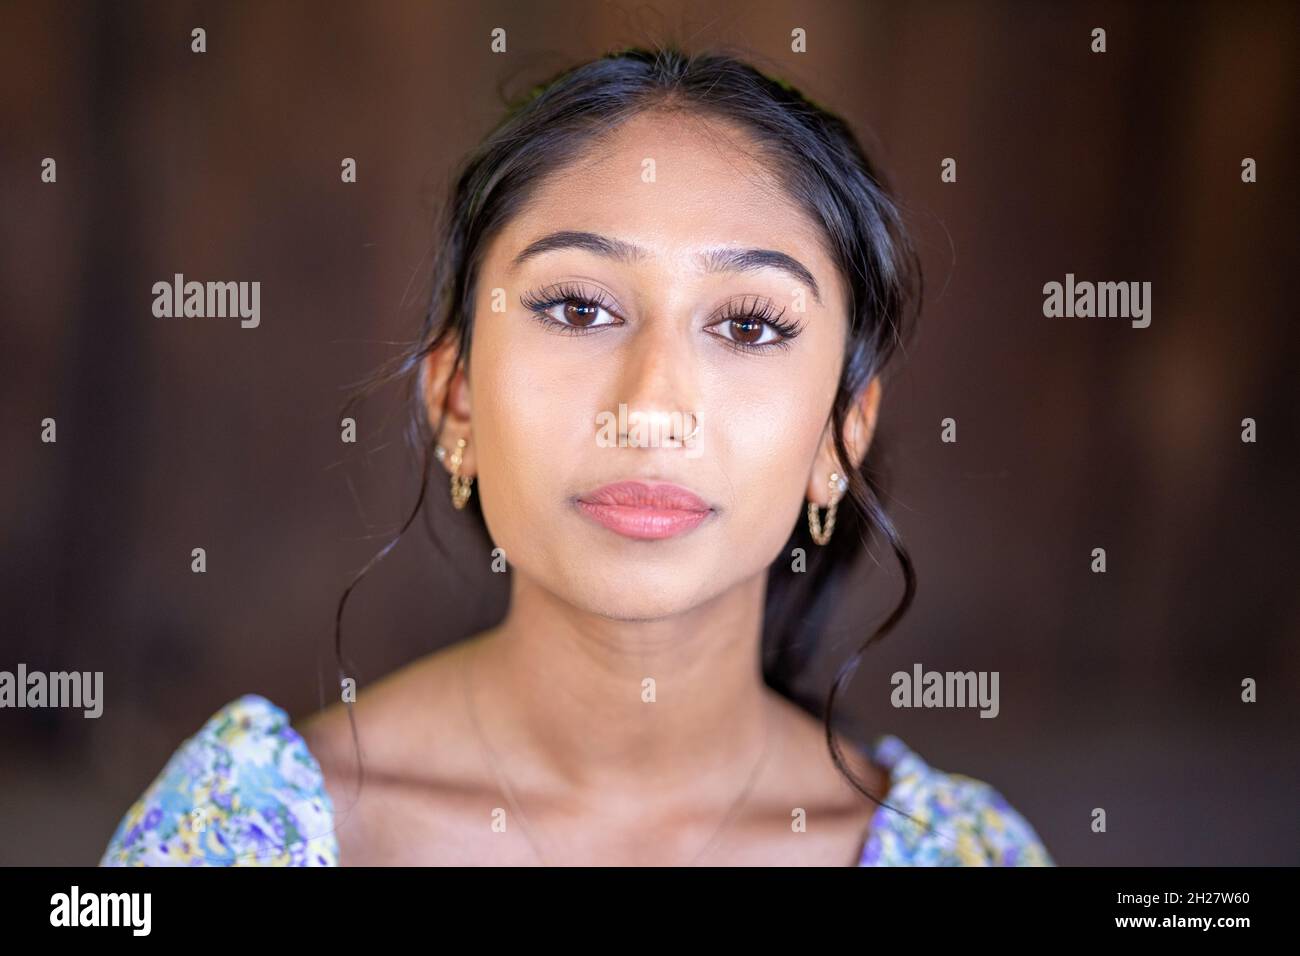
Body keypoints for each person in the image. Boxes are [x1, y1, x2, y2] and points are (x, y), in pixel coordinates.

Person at [100, 46, 1054, 867]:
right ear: (455, 395)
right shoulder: (242, 831)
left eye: (751, 325)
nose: (649, 409)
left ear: (841, 437)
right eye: (577, 308)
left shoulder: (959, 852)